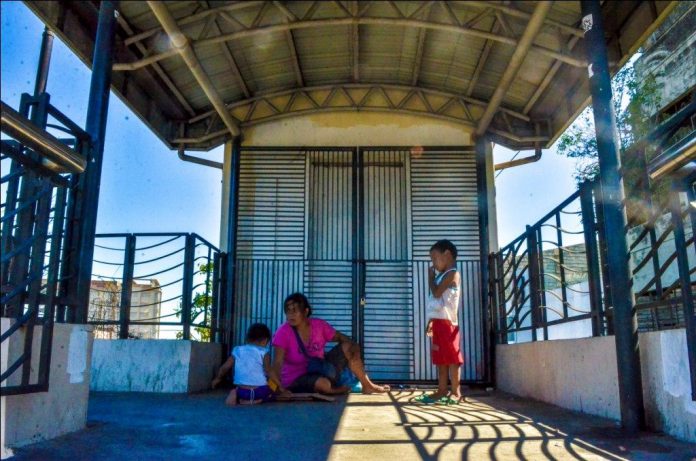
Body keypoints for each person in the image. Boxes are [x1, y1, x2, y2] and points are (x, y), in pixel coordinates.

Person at [268, 292, 390, 396]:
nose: (290, 315)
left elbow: (343, 339)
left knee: (349, 347)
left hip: (320, 368)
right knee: (323, 384)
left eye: (295, 311)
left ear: (305, 312)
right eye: (288, 311)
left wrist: (353, 353)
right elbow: (278, 363)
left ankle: (367, 385)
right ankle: (338, 390)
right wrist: (278, 386)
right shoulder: (283, 332)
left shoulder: (319, 326)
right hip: (297, 378)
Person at [416, 239, 464, 405]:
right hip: (438, 323)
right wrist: (430, 321)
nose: (433, 263)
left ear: (447, 254)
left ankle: (456, 391)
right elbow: (435, 303)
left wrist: (430, 279)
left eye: (434, 258)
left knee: (452, 357)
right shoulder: (442, 276)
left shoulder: (453, 274)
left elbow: (436, 293)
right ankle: (441, 390)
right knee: (440, 359)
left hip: (449, 324)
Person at [211, 323, 275, 405]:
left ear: (247, 338)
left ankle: (236, 394)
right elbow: (268, 371)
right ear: (265, 340)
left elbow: (225, 367)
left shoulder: (238, 350)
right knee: (272, 391)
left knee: (239, 389)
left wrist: (218, 378)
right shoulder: (264, 352)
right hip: (260, 391)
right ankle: (255, 401)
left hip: (242, 391)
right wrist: (280, 385)